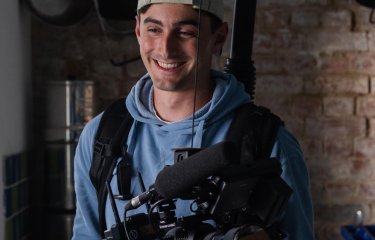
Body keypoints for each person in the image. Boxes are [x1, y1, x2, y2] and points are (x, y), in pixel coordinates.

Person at [72, 0, 314, 239]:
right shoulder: (101, 136)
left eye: (186, 32)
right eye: (154, 30)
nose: (166, 49)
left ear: (218, 38)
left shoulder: (269, 143)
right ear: (138, 31)